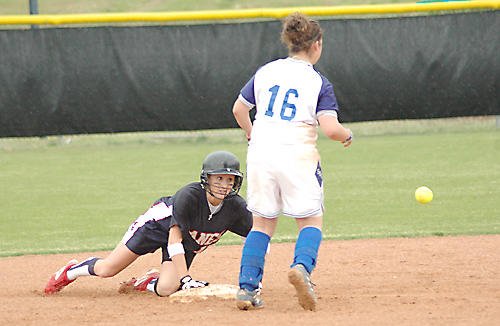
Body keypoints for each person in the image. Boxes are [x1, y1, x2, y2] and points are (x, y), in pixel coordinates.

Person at [232, 12, 353, 311]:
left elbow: (238, 109)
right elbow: (330, 129)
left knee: (261, 224)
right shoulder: (317, 82)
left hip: (260, 153)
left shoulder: (266, 71)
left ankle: (247, 289)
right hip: (297, 154)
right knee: (310, 220)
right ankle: (301, 268)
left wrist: (251, 134)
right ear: (317, 45)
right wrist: (347, 135)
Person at [44, 151, 252, 297]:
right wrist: (186, 278)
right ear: (206, 179)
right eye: (219, 178)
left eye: (230, 180)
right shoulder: (188, 196)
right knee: (108, 269)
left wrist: (253, 277)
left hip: (185, 242)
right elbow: (174, 239)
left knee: (166, 289)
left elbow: (256, 238)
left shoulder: (236, 208)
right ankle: (73, 269)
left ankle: (146, 282)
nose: (224, 185)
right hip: (157, 226)